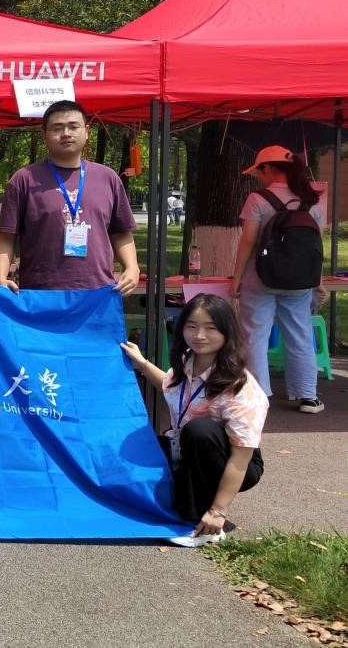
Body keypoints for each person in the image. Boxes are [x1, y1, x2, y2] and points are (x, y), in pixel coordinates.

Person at [121, 293, 267, 547]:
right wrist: (142, 363)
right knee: (137, 451)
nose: (199, 335)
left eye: (211, 328)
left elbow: (240, 459)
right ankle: (179, 504)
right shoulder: (188, 360)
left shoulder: (241, 388)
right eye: (192, 326)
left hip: (233, 460)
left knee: (199, 431)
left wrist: (218, 510)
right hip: (184, 447)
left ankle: (204, 525)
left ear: (227, 332)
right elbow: (169, 385)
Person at [0, 100, 140, 295]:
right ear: (44, 135)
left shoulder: (108, 178)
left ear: (86, 132)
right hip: (40, 293)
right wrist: (0, 276)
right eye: (57, 128)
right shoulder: (24, 179)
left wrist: (132, 267)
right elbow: (6, 236)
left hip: (99, 292)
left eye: (73, 126)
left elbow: (121, 232)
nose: (66, 134)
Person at [229, 145, 326, 415]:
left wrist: (236, 278)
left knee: (254, 335)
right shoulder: (312, 200)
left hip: (260, 278)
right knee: (301, 335)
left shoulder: (258, 199)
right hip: (300, 281)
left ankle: (258, 396)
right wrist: (317, 281)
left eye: (260, 171)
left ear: (269, 168)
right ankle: (308, 396)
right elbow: (315, 246)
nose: (259, 177)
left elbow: (248, 241)